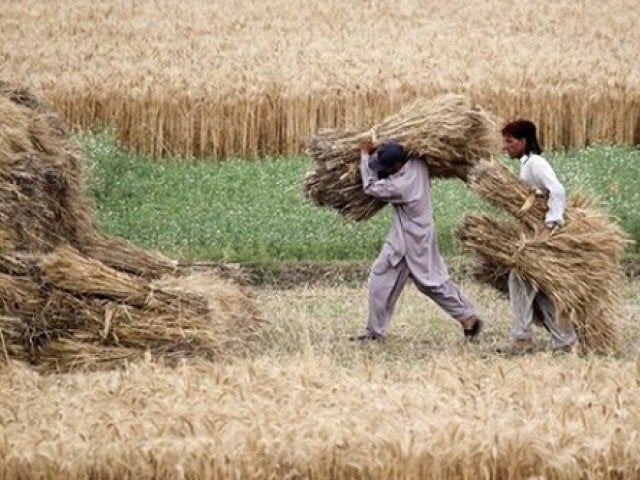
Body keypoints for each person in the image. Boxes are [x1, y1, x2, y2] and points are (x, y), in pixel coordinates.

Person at [351, 138, 483, 342]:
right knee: (382, 279)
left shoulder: (400, 186)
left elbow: (370, 187)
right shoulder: (418, 163)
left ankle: (468, 317)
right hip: (408, 236)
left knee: (429, 282)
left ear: (396, 166)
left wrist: (364, 154)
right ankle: (375, 331)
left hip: (411, 240)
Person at [500, 119, 577, 353]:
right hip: (534, 232)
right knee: (538, 287)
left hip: (541, 235)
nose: (505, 146)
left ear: (523, 141)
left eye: (510, 141)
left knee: (520, 278)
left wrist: (552, 223)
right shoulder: (527, 164)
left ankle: (522, 338)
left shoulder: (536, 163)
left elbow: (557, 189)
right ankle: (565, 340)